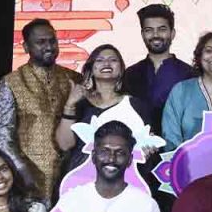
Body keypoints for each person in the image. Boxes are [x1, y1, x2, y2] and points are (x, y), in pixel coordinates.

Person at [0, 19, 82, 203]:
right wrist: (20, 171)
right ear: (26, 47)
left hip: (71, 174)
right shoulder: (11, 83)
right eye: (40, 42)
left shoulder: (74, 79)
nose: (48, 47)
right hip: (27, 178)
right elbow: (2, 137)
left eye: (52, 41)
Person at [55, 45, 155, 184]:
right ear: (91, 69)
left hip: (123, 182)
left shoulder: (136, 106)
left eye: (113, 60)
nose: (106, 63)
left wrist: (148, 149)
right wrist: (70, 105)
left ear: (121, 69)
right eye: (100, 60)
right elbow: (65, 145)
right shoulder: (79, 103)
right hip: (80, 182)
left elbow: (146, 146)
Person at [122, 4, 194, 136]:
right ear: (142, 34)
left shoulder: (189, 74)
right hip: (137, 144)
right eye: (149, 30)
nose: (155, 35)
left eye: (162, 29)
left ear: (172, 33)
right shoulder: (130, 74)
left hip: (178, 145)